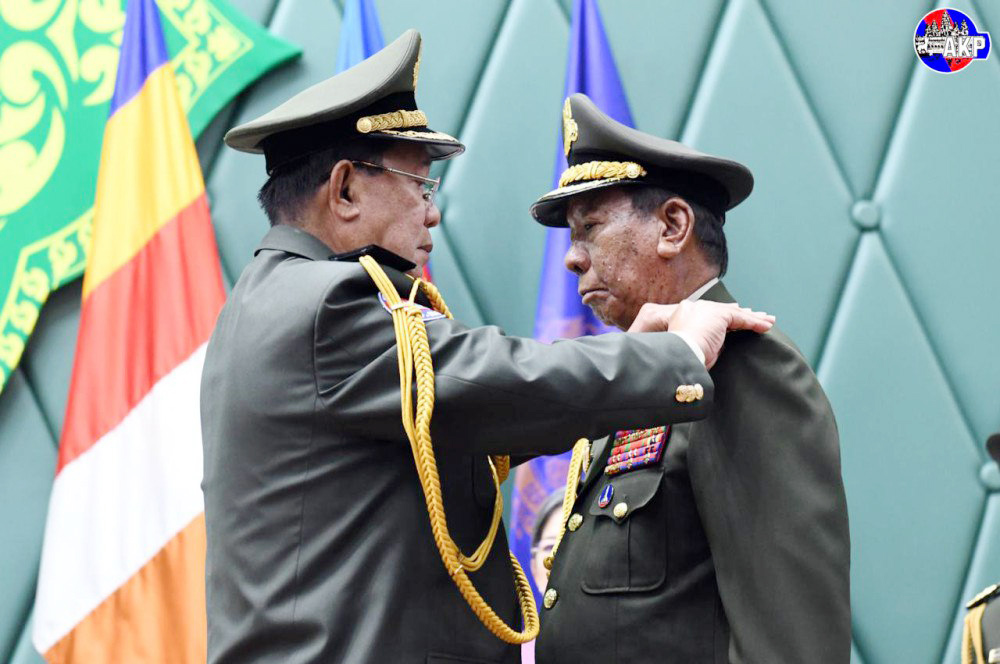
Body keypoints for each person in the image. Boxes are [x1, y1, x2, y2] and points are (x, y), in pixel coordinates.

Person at [200, 32, 774, 664]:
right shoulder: (323, 304)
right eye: (419, 186)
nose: (432, 213)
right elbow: (496, 379)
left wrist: (637, 356)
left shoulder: (272, 298)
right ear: (345, 191)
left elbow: (466, 415)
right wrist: (677, 353)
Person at [529, 93, 851, 664]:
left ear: (673, 227)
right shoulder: (645, 372)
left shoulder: (743, 367)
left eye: (591, 227)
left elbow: (790, 639)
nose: (571, 259)